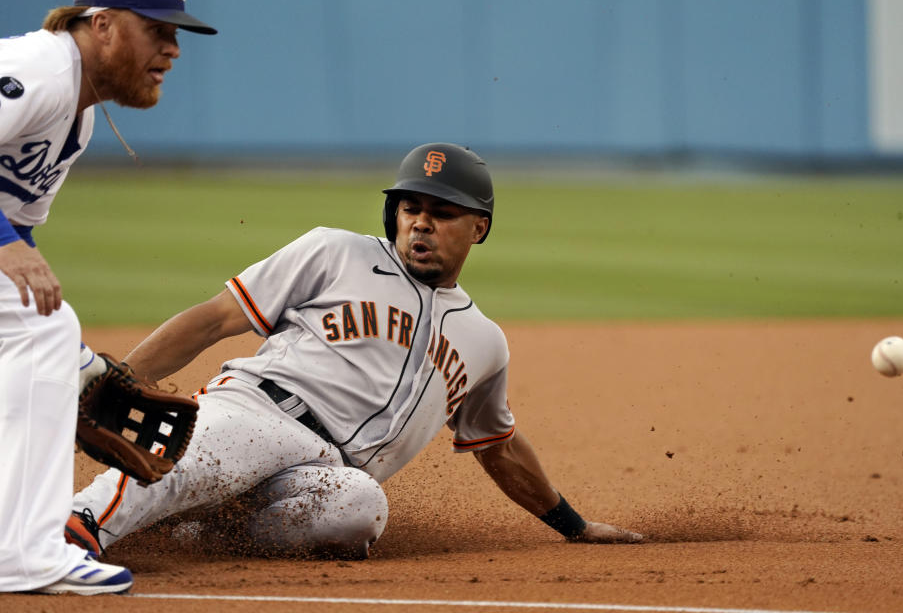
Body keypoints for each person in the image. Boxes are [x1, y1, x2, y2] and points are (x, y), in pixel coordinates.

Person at [66, 143, 643, 562]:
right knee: (195, 461)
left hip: (329, 472)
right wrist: (118, 380)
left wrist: (573, 525)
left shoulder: (484, 341)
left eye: (441, 212)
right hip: (260, 411)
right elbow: (216, 317)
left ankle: (195, 536)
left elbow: (500, 447)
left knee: (360, 512)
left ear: (479, 228)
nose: (420, 222)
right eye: (410, 207)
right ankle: (72, 531)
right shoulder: (334, 251)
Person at [0, 0, 215, 595]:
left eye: (176, 34)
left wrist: (73, 366)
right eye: (157, 29)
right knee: (44, 331)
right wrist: (7, 250)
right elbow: (8, 246)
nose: (172, 48)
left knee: (47, 337)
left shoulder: (79, 117)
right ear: (102, 24)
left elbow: (17, 231)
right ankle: (25, 553)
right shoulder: (38, 70)